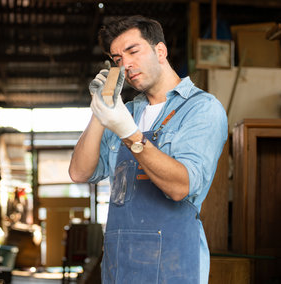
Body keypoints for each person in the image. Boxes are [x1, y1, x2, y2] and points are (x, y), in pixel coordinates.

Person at [68, 15, 228, 284]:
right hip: (120, 265)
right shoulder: (126, 111)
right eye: (117, 59)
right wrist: (101, 109)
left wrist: (129, 133)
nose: (126, 64)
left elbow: (181, 186)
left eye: (133, 51)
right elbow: (79, 172)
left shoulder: (201, 109)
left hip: (173, 266)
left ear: (160, 51)